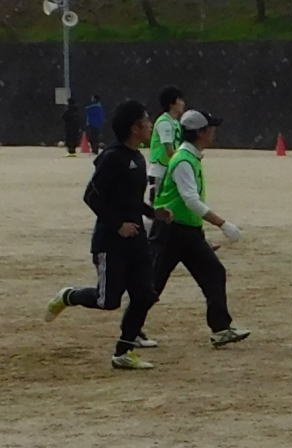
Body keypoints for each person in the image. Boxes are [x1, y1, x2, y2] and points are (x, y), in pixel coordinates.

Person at [45, 100, 171, 369]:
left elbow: (131, 200)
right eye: (146, 121)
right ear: (134, 128)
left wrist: (153, 212)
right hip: (111, 242)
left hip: (137, 241)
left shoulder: (138, 157)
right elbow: (92, 196)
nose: (150, 125)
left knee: (145, 295)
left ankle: (123, 352)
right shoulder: (113, 158)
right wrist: (118, 225)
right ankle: (69, 295)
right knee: (108, 301)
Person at [151, 109, 251, 348]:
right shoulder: (184, 161)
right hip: (171, 231)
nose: (213, 133)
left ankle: (220, 328)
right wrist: (222, 224)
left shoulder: (190, 157)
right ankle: (130, 331)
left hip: (188, 232)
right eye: (210, 129)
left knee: (214, 273)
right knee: (152, 285)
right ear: (200, 132)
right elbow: (191, 200)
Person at [148, 86, 187, 201]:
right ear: (172, 103)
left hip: (168, 170)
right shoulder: (164, 122)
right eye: (180, 100)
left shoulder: (175, 122)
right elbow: (169, 151)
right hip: (159, 171)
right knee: (157, 205)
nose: (183, 103)